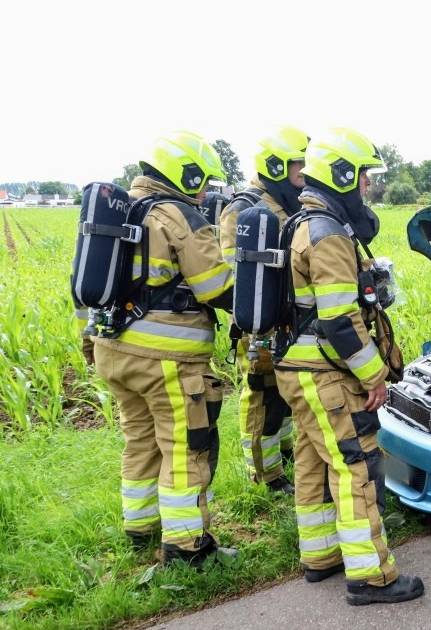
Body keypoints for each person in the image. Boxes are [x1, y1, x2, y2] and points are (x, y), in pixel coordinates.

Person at [273, 127, 424, 605]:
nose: (366, 187)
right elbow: (339, 320)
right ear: (340, 174)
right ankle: (372, 577)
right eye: (361, 176)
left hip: (298, 368)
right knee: (354, 465)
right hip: (327, 373)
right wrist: (374, 376)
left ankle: (320, 557)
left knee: (314, 461)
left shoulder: (302, 221)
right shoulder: (329, 233)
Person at [92, 131, 236, 565]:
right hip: (167, 361)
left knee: (139, 442)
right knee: (184, 449)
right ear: (184, 174)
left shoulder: (117, 212)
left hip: (113, 352)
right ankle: (188, 549)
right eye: (203, 181)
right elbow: (217, 287)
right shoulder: (179, 216)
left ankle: (139, 530)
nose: (206, 191)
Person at [218, 127, 308, 495]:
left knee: (283, 396)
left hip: (288, 320)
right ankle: (265, 477)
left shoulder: (289, 204)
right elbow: (234, 277)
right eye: (299, 167)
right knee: (261, 396)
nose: (305, 175)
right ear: (275, 167)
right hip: (259, 323)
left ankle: (282, 455)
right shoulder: (242, 210)